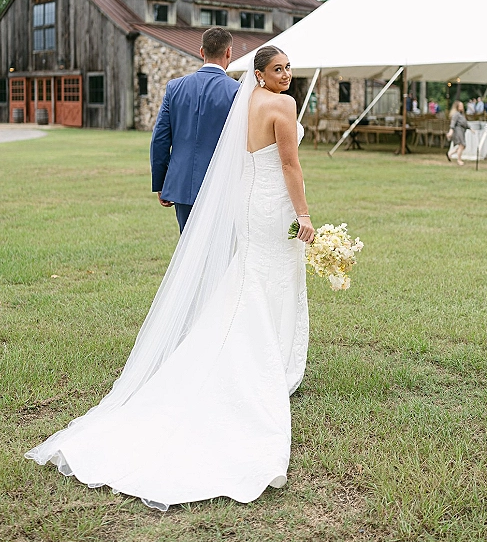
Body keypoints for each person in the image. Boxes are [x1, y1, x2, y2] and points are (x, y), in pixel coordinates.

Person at [25, 46, 314, 510]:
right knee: (259, 277)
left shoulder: (227, 94)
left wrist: (162, 181)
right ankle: (263, 358)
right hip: (267, 199)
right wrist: (304, 212)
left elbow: (165, 136)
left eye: (288, 68)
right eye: (279, 69)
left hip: (230, 196)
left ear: (204, 51)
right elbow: (288, 164)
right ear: (251, 68)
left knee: (241, 276)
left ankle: (230, 343)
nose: (287, 75)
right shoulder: (275, 102)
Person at [150, 27, 240, 232]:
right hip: (222, 184)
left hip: (181, 184)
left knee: (188, 250)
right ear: (229, 52)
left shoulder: (175, 87)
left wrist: (161, 182)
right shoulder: (237, 91)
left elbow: (160, 139)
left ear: (201, 52)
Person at [447, 100, 468, 166]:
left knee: (462, 146)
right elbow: (453, 123)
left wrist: (470, 128)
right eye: (460, 106)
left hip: (462, 131)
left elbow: (465, 123)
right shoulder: (456, 114)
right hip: (458, 131)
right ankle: (459, 160)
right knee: (461, 145)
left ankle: (450, 153)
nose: (462, 107)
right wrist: (451, 131)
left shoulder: (461, 114)